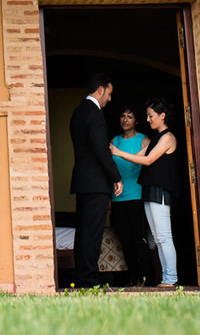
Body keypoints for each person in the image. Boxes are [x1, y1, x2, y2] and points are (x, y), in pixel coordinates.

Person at [111, 96, 179, 288]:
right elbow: (138, 157)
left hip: (160, 190)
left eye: (151, 116)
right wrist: (118, 153)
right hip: (149, 190)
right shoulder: (156, 138)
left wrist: (118, 152)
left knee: (164, 236)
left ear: (162, 116)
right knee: (157, 238)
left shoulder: (167, 137)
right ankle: (166, 278)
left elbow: (147, 160)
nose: (148, 120)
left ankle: (171, 278)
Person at [68, 72, 122, 288]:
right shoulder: (95, 114)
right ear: (100, 90)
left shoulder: (78, 112)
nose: (109, 98)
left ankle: (82, 277)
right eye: (109, 93)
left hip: (82, 182)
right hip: (96, 184)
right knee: (92, 233)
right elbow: (101, 150)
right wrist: (116, 177)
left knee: (82, 232)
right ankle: (88, 281)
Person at [108, 104, 156, 287]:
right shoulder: (115, 140)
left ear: (136, 120)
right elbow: (109, 170)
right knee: (125, 241)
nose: (125, 120)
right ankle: (133, 278)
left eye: (129, 116)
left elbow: (144, 162)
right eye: (122, 116)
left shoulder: (145, 141)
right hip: (117, 196)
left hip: (136, 195)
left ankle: (146, 279)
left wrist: (119, 153)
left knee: (139, 239)